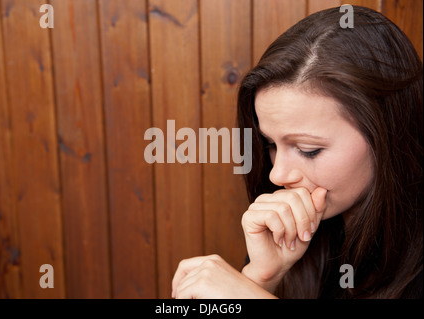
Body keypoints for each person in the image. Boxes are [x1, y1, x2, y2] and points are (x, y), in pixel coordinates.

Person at [171, 6, 423, 299]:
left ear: (387, 134)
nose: (277, 174)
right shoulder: (305, 232)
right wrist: (262, 276)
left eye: (309, 150)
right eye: (271, 145)